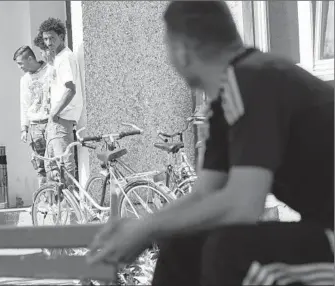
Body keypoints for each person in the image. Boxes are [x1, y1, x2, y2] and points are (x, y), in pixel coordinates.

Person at [86, 1, 334, 285]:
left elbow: (242, 206)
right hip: (321, 232)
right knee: (183, 243)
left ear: (181, 50)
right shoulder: (224, 104)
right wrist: (143, 227)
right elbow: (204, 194)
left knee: (232, 252)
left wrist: (146, 229)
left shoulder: (253, 79)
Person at [38, 18, 83, 185]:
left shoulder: (65, 58)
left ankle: (70, 208)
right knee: (54, 165)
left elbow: (70, 89)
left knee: (64, 163)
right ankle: (60, 206)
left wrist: (55, 113)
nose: (48, 42)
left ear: (62, 36)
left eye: (52, 38)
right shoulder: (59, 57)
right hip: (57, 117)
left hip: (62, 116)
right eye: (46, 39)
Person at [13, 45, 54, 187]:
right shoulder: (24, 80)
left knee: (54, 164)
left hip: (51, 122)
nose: (19, 67)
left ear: (30, 58)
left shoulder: (49, 70)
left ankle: (59, 202)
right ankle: (44, 203)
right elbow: (24, 105)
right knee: (40, 165)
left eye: (20, 63)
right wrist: (24, 128)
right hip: (35, 126)